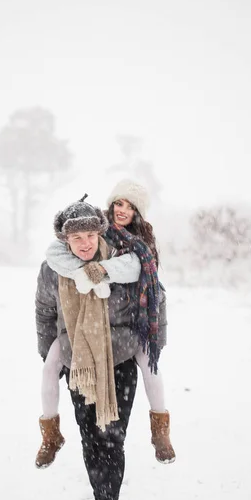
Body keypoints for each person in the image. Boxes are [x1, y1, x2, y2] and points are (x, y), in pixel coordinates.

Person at [35, 197, 167, 500]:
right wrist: (54, 355)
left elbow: (156, 297)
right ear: (65, 241)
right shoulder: (53, 270)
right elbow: (44, 312)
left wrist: (156, 344)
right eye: (76, 238)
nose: (85, 243)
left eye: (90, 235)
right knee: (90, 439)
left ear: (99, 232)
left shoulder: (121, 263)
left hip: (120, 362)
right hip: (78, 364)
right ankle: (99, 497)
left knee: (112, 438)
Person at [38, 179, 175, 468]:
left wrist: (101, 271)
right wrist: (84, 271)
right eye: (119, 203)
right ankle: (50, 435)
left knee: (151, 366)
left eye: (131, 206)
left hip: (133, 321)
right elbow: (58, 253)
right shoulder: (97, 230)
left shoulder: (141, 244)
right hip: (83, 323)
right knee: (49, 365)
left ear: (139, 213)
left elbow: (155, 292)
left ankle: (160, 430)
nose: (123, 210)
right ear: (110, 205)